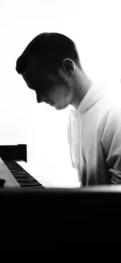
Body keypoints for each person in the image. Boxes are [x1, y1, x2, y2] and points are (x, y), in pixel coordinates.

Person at [16, 32, 121, 186]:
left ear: (67, 68)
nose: (39, 99)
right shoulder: (74, 117)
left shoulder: (114, 112)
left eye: (42, 85)